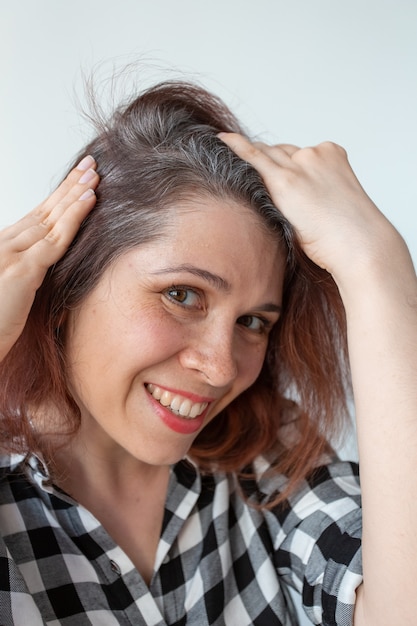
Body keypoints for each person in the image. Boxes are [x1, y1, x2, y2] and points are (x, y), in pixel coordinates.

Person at [0, 79, 416, 626]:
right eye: (181, 295)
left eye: (252, 322)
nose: (221, 367)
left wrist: (377, 267)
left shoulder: (269, 455)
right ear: (65, 288)